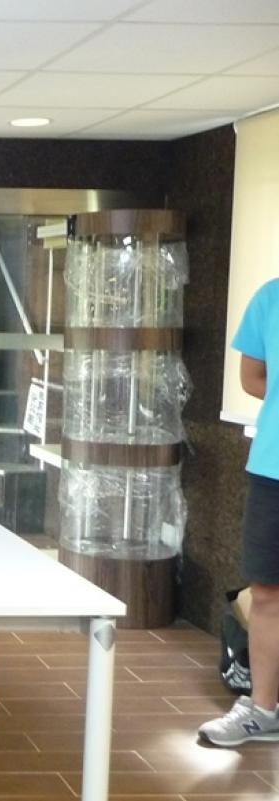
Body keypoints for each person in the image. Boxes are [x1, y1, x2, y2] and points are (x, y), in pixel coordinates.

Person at [199, 276, 279, 747]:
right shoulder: (270, 297)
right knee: (266, 592)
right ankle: (263, 709)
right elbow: (253, 379)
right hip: (272, 465)